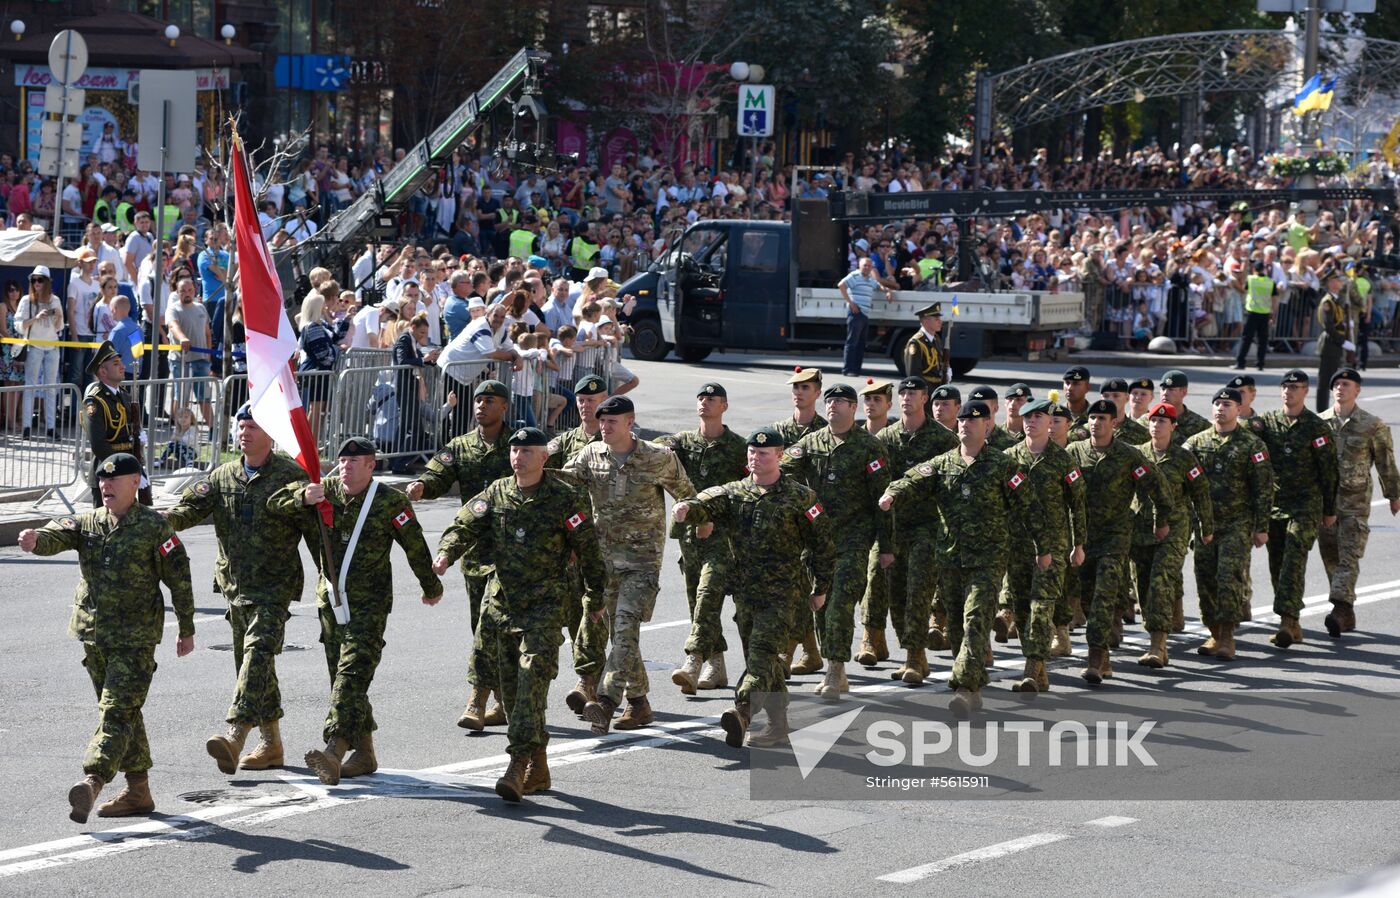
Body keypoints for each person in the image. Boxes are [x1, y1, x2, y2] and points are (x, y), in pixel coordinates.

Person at [17, 453, 195, 823]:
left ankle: (93, 780)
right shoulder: (90, 523)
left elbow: (179, 577)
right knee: (124, 712)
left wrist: (186, 626)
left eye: (115, 480)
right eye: (102, 480)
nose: (106, 486)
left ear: (136, 483)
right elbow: (59, 532)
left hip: (136, 638)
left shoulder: (154, 527)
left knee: (115, 711)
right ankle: (139, 790)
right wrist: (36, 539)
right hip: (94, 636)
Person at [433, 426, 607, 801]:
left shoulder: (564, 497)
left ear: (544, 457)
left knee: (530, 686)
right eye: (514, 450)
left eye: (527, 451)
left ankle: (516, 765)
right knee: (512, 696)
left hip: (544, 609)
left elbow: (589, 551)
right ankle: (539, 765)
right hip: (501, 608)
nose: (519, 456)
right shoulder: (497, 492)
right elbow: (465, 524)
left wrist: (595, 597)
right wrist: (447, 553)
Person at [267, 437, 444, 785]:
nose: (345, 466)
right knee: (344, 680)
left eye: (354, 461)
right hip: (331, 603)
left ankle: (334, 751)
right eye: (342, 460)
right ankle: (365, 753)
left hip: (369, 604)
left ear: (371, 465)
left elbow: (414, 546)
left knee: (350, 677)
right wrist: (302, 497)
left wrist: (431, 586)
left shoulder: (390, 501)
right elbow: (275, 503)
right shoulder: (325, 490)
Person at [162, 405, 313, 774]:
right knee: (253, 668)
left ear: (270, 434)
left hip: (274, 586)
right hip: (235, 585)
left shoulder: (290, 475)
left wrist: (331, 582)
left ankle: (235, 733)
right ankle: (272, 744)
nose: (244, 433)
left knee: (257, 653)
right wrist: (160, 521)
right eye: (241, 426)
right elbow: (190, 509)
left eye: (252, 427)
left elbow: (315, 529)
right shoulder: (223, 475)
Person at [880, 401, 1044, 717]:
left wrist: (1044, 546)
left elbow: (1031, 507)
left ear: (987, 426)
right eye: (962, 420)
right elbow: (913, 478)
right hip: (951, 558)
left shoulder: (1002, 466)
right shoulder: (943, 463)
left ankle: (966, 688)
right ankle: (974, 683)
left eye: (974, 420)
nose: (966, 424)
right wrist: (892, 494)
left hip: (988, 559)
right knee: (956, 624)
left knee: (974, 620)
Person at [672, 427, 833, 747]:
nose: (756, 458)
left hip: (783, 594)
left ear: (779, 456)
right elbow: (706, 502)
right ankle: (779, 725)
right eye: (752, 453)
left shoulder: (801, 497)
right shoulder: (734, 493)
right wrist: (686, 509)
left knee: (761, 654)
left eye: (763, 453)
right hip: (746, 594)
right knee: (765, 663)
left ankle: (743, 710)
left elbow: (823, 545)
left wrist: (821, 587)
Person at [570, 396, 695, 734]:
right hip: (604, 560)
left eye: (613, 421)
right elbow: (563, 490)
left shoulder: (657, 457)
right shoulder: (590, 455)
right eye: (602, 422)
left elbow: (686, 493)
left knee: (624, 628)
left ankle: (607, 702)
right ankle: (639, 704)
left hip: (642, 562)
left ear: (630, 422)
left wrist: (690, 515)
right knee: (621, 636)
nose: (605, 427)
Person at [406, 380, 513, 728]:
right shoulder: (461, 446)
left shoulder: (517, 445)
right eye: (478, 400)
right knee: (482, 627)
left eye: (490, 401)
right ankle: (503, 699)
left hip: (512, 552)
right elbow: (438, 471)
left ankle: (478, 699)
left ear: (505, 407)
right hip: (472, 551)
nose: (481, 406)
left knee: (490, 625)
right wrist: (422, 486)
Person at [780, 384, 892, 700]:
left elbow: (882, 500)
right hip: (817, 540)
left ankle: (835, 668)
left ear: (853, 408)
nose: (833, 405)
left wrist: (885, 547)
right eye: (830, 401)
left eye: (841, 401)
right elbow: (781, 472)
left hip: (854, 540)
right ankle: (832, 664)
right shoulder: (811, 443)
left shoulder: (870, 448)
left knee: (840, 602)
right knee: (819, 602)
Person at [1066, 398, 1170, 682]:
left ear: (1114, 423)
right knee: (1087, 598)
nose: (1096, 423)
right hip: (1083, 538)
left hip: (1115, 537)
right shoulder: (1074, 452)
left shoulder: (1128, 456)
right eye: (1092, 418)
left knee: (1103, 597)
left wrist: (1160, 520)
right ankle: (1105, 658)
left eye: (1102, 419)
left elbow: (1158, 487)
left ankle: (1095, 658)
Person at [655, 383, 748, 695]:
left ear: (724, 406)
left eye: (712, 399)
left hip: (723, 537)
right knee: (698, 602)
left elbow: (748, 488)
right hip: (690, 537)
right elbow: (656, 450)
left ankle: (694, 660)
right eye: (701, 398)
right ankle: (717, 664)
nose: (705, 403)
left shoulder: (738, 446)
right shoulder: (682, 442)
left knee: (707, 597)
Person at [872, 375, 959, 678]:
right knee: (895, 596)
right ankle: (915, 654)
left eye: (914, 394)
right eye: (903, 394)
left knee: (918, 593)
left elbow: (952, 486)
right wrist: (883, 542)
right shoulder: (885, 439)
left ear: (925, 399)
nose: (907, 398)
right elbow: (879, 489)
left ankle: (913, 656)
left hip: (927, 526)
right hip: (895, 528)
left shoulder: (944, 439)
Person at [1000, 399, 1086, 692]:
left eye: (1038, 416)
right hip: (1018, 545)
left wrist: (1079, 544)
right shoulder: (1009, 458)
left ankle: (1031, 669)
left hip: (1054, 546)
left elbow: (1077, 505)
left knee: (1041, 607)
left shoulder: (1062, 460)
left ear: (1050, 422)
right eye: (1027, 416)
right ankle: (1037, 670)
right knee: (1022, 608)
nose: (1031, 421)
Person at [1184, 388, 1273, 661]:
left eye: (1228, 404)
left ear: (1238, 409)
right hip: (1204, 524)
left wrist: (1261, 526)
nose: (1221, 408)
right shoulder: (1195, 443)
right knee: (1205, 579)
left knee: (1228, 578)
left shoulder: (1251, 445)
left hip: (1237, 522)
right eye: (1218, 404)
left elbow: (1264, 487)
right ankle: (1213, 630)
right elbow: (1182, 485)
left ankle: (1227, 636)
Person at [1254, 370, 1337, 648]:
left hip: (1306, 504)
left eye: (1295, 387)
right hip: (1275, 504)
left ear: (1306, 391)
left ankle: (1288, 620)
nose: (1289, 391)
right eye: (1285, 386)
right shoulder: (1265, 423)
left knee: (1293, 554)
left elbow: (1329, 471)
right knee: (1277, 560)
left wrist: (1329, 509)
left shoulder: (1316, 427)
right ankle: (1293, 623)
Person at [545, 374, 612, 712]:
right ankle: (590, 683)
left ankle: (594, 682)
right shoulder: (565, 443)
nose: (587, 406)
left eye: (593, 400)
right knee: (576, 612)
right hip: (573, 544)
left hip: (607, 542)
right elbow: (543, 471)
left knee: (598, 612)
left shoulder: (617, 440)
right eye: (582, 401)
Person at [1130, 402, 1214, 668]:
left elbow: (1201, 493)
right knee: (1142, 583)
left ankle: (1158, 644)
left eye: (1163, 422)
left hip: (1174, 529)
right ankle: (1157, 629)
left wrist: (1206, 527)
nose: (1157, 425)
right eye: (1153, 421)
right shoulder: (1137, 455)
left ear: (1173, 427)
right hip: (1140, 529)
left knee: (1160, 580)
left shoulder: (1183, 458)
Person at [1318, 368, 1400, 637]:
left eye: (1346, 384)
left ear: (1357, 390)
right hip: (1326, 505)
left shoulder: (1371, 424)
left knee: (1348, 557)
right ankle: (1347, 612)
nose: (1340, 388)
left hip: (1355, 504)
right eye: (1337, 384)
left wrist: (1394, 495)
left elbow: (1386, 462)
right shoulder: (1319, 424)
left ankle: (1339, 609)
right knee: (1331, 557)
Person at [81, 341, 150, 507]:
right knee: (106, 528)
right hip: (108, 473)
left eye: (121, 362)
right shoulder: (95, 401)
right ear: (103, 371)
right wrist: (124, 470)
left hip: (127, 474)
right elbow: (99, 445)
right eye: (116, 363)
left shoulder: (124, 396)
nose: (122, 367)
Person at [17, 265, 64, 440]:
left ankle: (51, 427)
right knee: (30, 387)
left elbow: (59, 328)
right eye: (34, 279)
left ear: (47, 282)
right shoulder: (26, 300)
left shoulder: (55, 300)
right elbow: (19, 325)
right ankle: (27, 427)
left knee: (51, 388)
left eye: (40, 279)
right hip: (34, 346)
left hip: (52, 347)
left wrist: (58, 315)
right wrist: (35, 318)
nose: (37, 283)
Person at [837, 256, 890, 376]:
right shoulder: (855, 276)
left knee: (860, 343)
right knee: (852, 342)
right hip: (856, 312)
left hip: (864, 314)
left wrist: (887, 291)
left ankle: (856, 370)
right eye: (864, 265)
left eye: (869, 266)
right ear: (859, 266)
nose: (867, 267)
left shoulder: (870, 279)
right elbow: (841, 285)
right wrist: (851, 304)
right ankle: (848, 369)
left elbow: (878, 286)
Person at [1315, 273, 1352, 413]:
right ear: (1330, 283)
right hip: (1330, 343)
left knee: (1331, 379)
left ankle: (1325, 410)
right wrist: (1343, 342)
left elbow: (1336, 322)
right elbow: (1328, 326)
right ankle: (1321, 411)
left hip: (1334, 344)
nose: (1341, 283)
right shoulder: (1328, 302)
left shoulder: (1335, 301)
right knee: (1325, 381)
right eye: (1337, 280)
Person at [1235, 260, 1277, 371]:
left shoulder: (1251, 279)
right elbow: (1274, 299)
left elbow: (1244, 289)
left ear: (1254, 269)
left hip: (1252, 312)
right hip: (1265, 313)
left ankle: (1240, 363)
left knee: (1246, 339)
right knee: (1263, 340)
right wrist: (1273, 313)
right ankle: (1260, 364)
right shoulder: (1271, 282)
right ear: (1264, 269)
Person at [902, 302, 946, 385]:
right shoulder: (916, 343)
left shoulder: (936, 339)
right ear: (925, 321)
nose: (940, 322)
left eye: (940, 319)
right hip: (925, 391)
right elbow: (914, 375)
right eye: (936, 319)